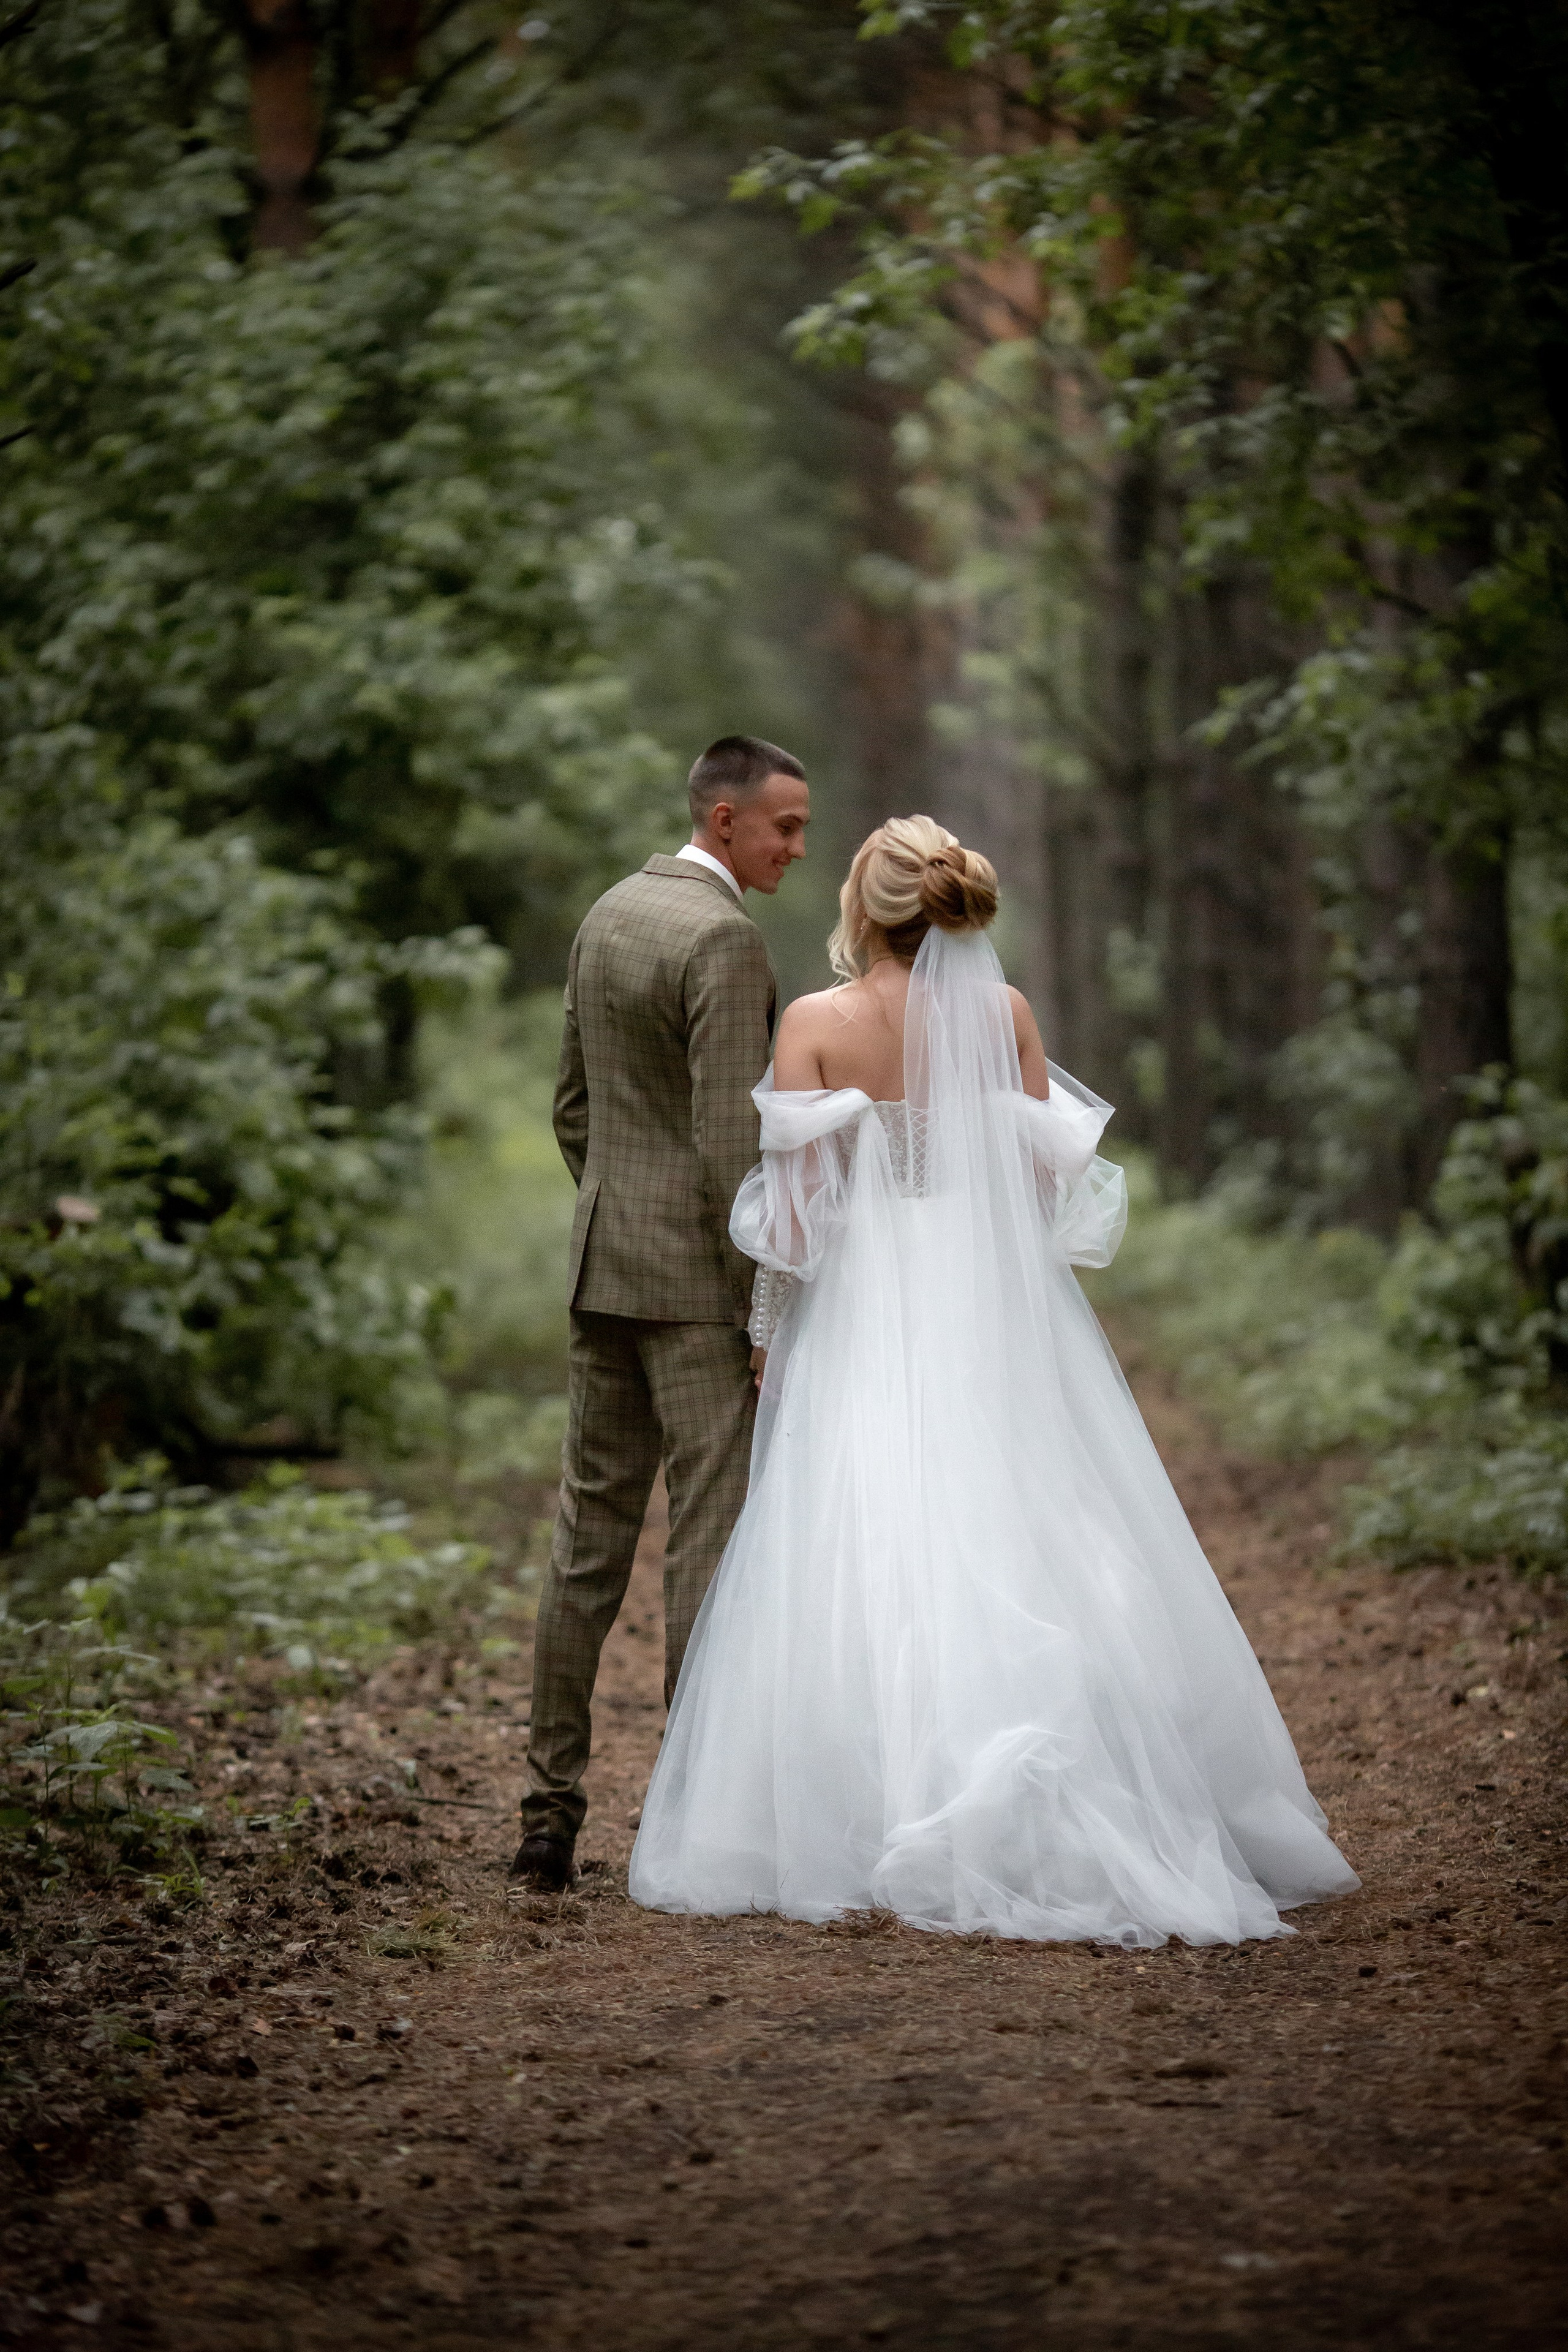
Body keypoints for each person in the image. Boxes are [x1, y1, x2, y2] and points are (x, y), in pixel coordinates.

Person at [629, 816, 1359, 1947]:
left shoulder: (815, 1024)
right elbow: (1032, 1191)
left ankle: (867, 1797)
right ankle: (1064, 1763)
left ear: (862, 909)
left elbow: (796, 1222)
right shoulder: (1004, 1015)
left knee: (866, 1524)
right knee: (1027, 1513)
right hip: (986, 1294)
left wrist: (770, 1336)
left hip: (868, 1301)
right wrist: (994, 1288)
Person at [512, 735, 810, 1891]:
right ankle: (687, 1820)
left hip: (602, 1275)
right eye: (784, 825)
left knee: (585, 1545)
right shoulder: (724, 940)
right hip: (693, 1292)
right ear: (725, 818)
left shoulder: (610, 912)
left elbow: (572, 1110)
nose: (797, 845)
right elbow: (729, 1146)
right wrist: (758, 1309)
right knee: (706, 1540)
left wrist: (612, 1217)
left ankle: (548, 1818)